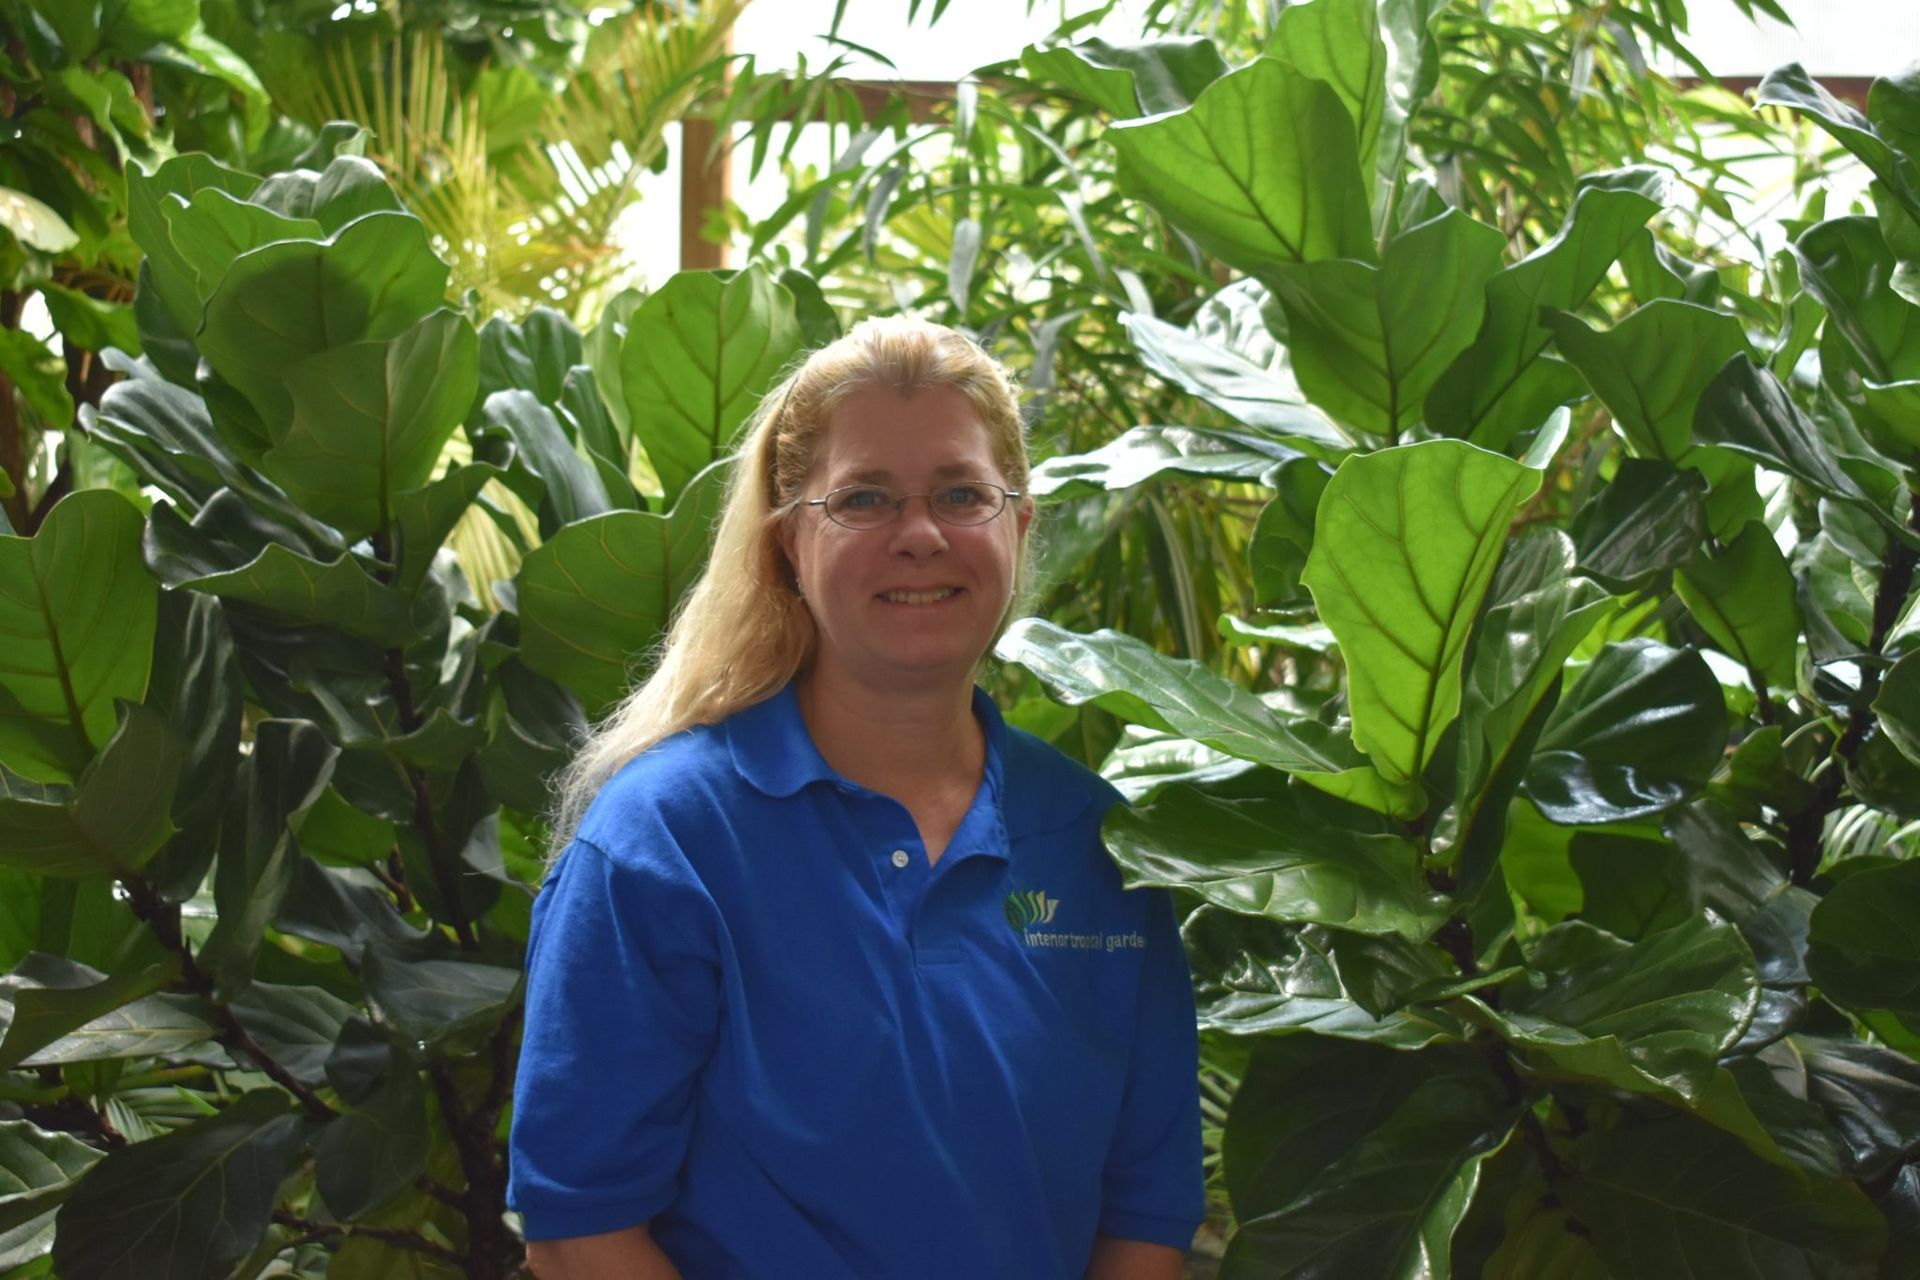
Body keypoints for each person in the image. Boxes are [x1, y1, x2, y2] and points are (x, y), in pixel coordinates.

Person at [508, 316, 1204, 1279]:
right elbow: (580, 1230)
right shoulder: (662, 841)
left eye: (962, 493)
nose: (919, 536)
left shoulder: (1101, 844)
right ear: (790, 539)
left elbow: (1146, 1212)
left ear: (1020, 524)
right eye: (865, 499)